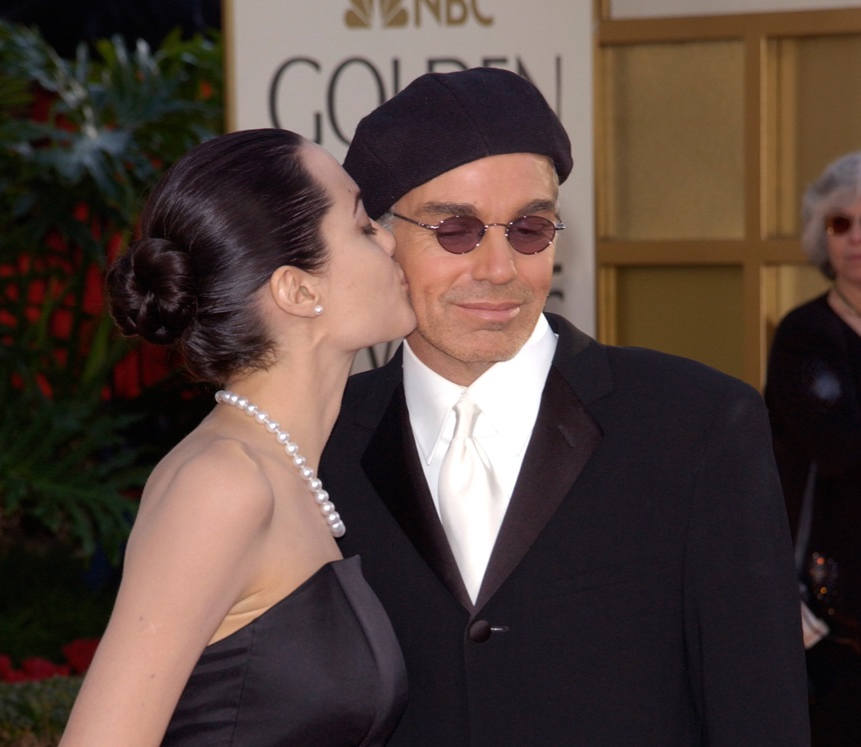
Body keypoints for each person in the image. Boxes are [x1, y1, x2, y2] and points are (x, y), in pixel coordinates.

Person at [319, 67, 810, 746]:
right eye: (455, 229)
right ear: (379, 239)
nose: (497, 267)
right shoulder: (316, 440)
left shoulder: (696, 424)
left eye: (528, 229)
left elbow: (760, 712)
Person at [60, 128, 414, 746]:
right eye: (362, 226)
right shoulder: (223, 483)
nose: (390, 239)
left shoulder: (287, 470)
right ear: (298, 290)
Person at [765, 151, 861, 746]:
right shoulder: (806, 335)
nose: (854, 239)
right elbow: (844, 448)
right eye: (839, 224)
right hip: (833, 607)